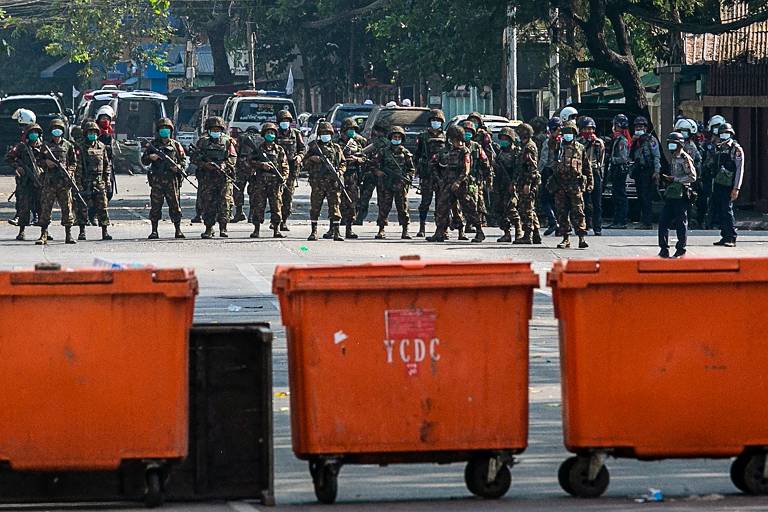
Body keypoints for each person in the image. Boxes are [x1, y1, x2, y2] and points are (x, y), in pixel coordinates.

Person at [426, 125, 484, 243]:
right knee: (442, 208)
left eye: (455, 139)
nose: (453, 141)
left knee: (469, 209)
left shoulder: (465, 151)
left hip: (462, 185)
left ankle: (479, 231)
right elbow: (434, 163)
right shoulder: (448, 151)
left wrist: (458, 182)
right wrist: (439, 179)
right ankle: (439, 232)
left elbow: (466, 169)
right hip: (447, 184)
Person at [190, 116, 237, 239]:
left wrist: (224, 164)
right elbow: (194, 158)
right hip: (207, 178)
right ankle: (209, 228)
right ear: (208, 129)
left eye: (218, 129)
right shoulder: (202, 142)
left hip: (223, 178)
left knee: (225, 203)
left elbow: (233, 158)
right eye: (213, 129)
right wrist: (205, 165)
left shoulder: (228, 142)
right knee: (208, 203)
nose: (215, 131)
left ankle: (223, 227)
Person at [141, 117, 186, 240]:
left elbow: (183, 161)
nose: (164, 131)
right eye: (162, 129)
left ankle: (178, 230)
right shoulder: (153, 145)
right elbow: (143, 161)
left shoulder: (176, 145)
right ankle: (154, 231)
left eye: (167, 129)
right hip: (157, 181)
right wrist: (151, 157)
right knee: (156, 206)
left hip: (172, 180)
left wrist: (179, 167)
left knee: (175, 206)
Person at [548, 121, 591, 249]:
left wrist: (589, 182)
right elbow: (550, 144)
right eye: (565, 132)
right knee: (562, 212)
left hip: (575, 184)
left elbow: (586, 166)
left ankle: (581, 237)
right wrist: (554, 136)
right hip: (560, 184)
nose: (568, 135)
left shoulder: (580, 148)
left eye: (570, 132)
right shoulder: (557, 146)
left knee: (578, 211)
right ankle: (565, 238)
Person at [303, 121, 346, 241]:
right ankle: (314, 231)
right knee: (315, 207)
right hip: (318, 183)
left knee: (335, 207)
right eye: (323, 133)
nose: (325, 135)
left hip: (333, 183)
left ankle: (336, 232)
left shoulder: (336, 148)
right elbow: (304, 164)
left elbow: (343, 163)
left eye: (327, 133)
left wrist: (339, 173)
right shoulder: (313, 148)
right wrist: (312, 159)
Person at [37, 118, 77, 245]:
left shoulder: (68, 145)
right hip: (50, 182)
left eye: (59, 129)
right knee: (46, 208)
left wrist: (70, 171)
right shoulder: (45, 146)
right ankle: (44, 234)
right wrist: (46, 163)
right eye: (54, 129)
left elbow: (73, 162)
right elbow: (38, 161)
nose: (57, 132)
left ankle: (68, 234)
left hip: (64, 183)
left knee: (67, 208)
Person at [247, 122, 289, 239]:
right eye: (268, 133)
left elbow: (284, 165)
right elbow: (249, 161)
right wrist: (261, 164)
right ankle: (256, 230)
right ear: (264, 134)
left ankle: (276, 230)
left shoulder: (279, 150)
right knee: (258, 206)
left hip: (275, 183)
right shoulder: (258, 149)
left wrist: (284, 177)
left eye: (272, 133)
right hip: (260, 182)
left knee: (276, 207)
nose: (270, 135)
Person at [373, 126, 416, 240]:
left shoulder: (406, 153)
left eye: (398, 137)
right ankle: (381, 229)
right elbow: (374, 165)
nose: (396, 139)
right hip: (386, 184)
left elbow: (411, 170)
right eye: (394, 137)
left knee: (402, 207)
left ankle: (405, 230)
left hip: (400, 184)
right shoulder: (383, 152)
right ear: (390, 138)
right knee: (384, 207)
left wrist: (406, 178)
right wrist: (379, 172)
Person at [658, 132, 696, 258]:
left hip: (682, 194)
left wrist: (675, 179)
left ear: (679, 145)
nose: (670, 146)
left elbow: (692, 177)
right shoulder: (673, 157)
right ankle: (663, 249)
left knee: (681, 223)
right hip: (672, 194)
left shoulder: (685, 158)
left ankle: (681, 249)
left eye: (673, 144)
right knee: (663, 221)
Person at [6, 123, 45, 241]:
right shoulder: (21, 147)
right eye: (32, 133)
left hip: (40, 181)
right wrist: (17, 167)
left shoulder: (44, 147)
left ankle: (44, 232)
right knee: (24, 207)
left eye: (36, 133)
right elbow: (8, 158)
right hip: (25, 182)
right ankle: (21, 231)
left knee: (42, 208)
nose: (34, 135)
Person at [76, 121, 112, 240]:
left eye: (95, 132)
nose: (92, 134)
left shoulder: (101, 147)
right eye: (90, 132)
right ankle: (82, 231)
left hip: (99, 181)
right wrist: (79, 184)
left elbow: (106, 164)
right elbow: (78, 166)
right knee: (82, 208)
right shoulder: (80, 147)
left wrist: (107, 181)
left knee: (103, 206)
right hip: (86, 181)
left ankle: (105, 231)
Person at [415, 109, 447, 237]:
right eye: (434, 120)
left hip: (442, 174)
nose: (436, 122)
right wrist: (417, 170)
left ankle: (442, 229)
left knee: (442, 203)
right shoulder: (423, 136)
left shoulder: (446, 136)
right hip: (427, 173)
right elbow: (417, 154)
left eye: (438, 120)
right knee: (425, 202)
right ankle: (422, 227)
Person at [711, 122, 743, 247]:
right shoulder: (719, 147)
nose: (724, 135)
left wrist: (736, 188)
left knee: (727, 210)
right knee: (720, 210)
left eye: (727, 133)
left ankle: (731, 237)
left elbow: (740, 170)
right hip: (719, 183)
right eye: (722, 133)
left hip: (729, 185)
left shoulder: (736, 149)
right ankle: (724, 236)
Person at [276, 109, 306, 231]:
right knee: (276, 197)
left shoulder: (296, 134)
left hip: (292, 170)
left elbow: (302, 149)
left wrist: (299, 157)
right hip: (277, 170)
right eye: (282, 121)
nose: (285, 123)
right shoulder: (274, 134)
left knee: (288, 197)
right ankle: (276, 221)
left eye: (287, 121)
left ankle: (284, 220)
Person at [629, 116, 661, 229]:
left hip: (648, 171)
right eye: (637, 126)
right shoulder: (635, 141)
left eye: (641, 126)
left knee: (646, 197)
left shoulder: (650, 140)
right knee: (640, 197)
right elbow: (629, 155)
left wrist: (656, 171)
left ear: (646, 128)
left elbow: (656, 156)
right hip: (639, 171)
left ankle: (647, 222)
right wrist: (632, 142)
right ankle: (643, 220)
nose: (639, 128)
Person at [460, 120, 491, 234]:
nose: (467, 134)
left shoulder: (476, 146)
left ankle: (474, 226)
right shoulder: (457, 146)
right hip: (460, 180)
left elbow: (485, 162)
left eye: (469, 132)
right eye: (465, 131)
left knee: (474, 204)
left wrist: (488, 178)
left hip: (474, 180)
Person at [338, 117, 367, 239]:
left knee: (352, 202)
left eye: (353, 129)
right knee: (336, 202)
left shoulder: (357, 142)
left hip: (353, 175)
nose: (351, 131)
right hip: (339, 175)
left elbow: (364, 157)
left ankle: (349, 229)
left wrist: (357, 159)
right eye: (349, 129)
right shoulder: (336, 142)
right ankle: (333, 229)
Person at [8, 108, 37, 227]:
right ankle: (20, 218)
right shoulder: (22, 141)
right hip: (24, 176)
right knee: (21, 197)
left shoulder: (36, 138)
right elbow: (11, 156)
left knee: (38, 198)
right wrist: (18, 166)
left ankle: (38, 218)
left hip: (37, 174)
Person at [513, 123, 542, 244]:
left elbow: (532, 167)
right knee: (530, 208)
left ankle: (528, 235)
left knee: (527, 209)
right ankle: (536, 234)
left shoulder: (529, 147)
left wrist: (528, 183)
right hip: (524, 180)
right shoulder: (525, 146)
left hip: (528, 182)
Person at [492, 126, 521, 242]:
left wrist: (514, 183)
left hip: (511, 184)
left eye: (506, 138)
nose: (503, 141)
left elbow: (518, 169)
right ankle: (506, 232)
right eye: (502, 138)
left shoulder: (516, 152)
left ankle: (519, 230)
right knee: (500, 209)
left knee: (511, 208)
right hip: (500, 185)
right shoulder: (500, 152)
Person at [355, 124, 388, 224]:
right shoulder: (375, 141)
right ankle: (362, 218)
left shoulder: (381, 142)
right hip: (372, 173)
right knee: (367, 198)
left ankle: (379, 219)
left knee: (374, 198)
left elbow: (365, 151)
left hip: (378, 173)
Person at [577, 117, 605, 235]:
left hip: (594, 171)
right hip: (583, 173)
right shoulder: (578, 142)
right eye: (586, 129)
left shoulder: (598, 142)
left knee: (597, 202)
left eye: (591, 129)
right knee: (584, 201)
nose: (589, 131)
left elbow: (601, 158)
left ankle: (597, 226)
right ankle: (586, 224)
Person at [674, 118, 703, 227]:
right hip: (684, 177)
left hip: (690, 178)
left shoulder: (689, 146)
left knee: (688, 200)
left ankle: (689, 221)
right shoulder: (682, 146)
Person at [699, 115, 726, 228]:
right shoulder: (707, 145)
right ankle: (708, 222)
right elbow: (701, 159)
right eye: (715, 127)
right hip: (708, 177)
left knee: (722, 201)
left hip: (723, 178)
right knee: (707, 199)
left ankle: (720, 222)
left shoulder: (727, 144)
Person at [538, 117, 563, 235]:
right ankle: (558, 226)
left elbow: (543, 160)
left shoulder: (548, 142)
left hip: (549, 172)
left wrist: (537, 173)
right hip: (560, 174)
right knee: (556, 200)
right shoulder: (564, 141)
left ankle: (553, 221)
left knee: (545, 199)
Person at [606, 114, 631, 229]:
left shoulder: (622, 140)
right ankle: (616, 220)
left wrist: (611, 159)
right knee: (615, 195)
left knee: (620, 196)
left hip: (620, 170)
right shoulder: (616, 138)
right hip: (616, 170)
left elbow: (623, 158)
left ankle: (621, 221)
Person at [231, 127, 257, 223]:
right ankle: (251, 214)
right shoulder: (260, 139)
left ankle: (239, 213)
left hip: (241, 167)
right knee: (254, 191)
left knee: (238, 190)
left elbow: (236, 151)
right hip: (254, 167)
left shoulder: (241, 137)